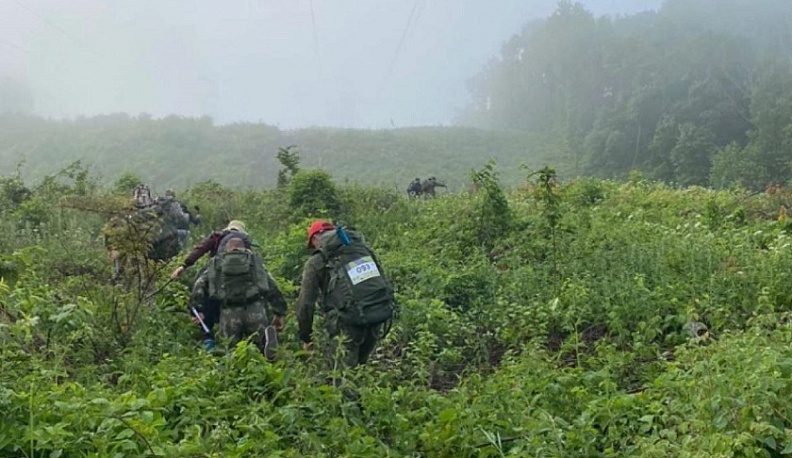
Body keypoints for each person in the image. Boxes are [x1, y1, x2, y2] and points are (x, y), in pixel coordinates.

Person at [296, 220, 396, 368]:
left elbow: (305, 304)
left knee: (344, 378)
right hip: (376, 314)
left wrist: (306, 336)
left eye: (313, 243)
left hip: (347, 323)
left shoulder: (316, 261)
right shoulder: (362, 249)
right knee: (360, 369)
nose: (315, 248)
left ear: (316, 237)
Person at [191, 237, 286, 359]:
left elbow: (199, 285)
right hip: (254, 309)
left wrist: (199, 310)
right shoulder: (252, 260)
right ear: (244, 248)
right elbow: (271, 285)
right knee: (262, 348)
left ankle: (235, 372)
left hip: (228, 312)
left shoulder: (217, 262)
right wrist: (279, 312)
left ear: (226, 248)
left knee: (230, 352)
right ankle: (266, 357)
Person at [171, 220, 252, 350]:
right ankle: (245, 339)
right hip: (240, 282)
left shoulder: (218, 236)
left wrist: (184, 265)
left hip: (217, 275)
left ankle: (207, 337)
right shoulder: (245, 240)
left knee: (203, 293)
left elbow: (200, 249)